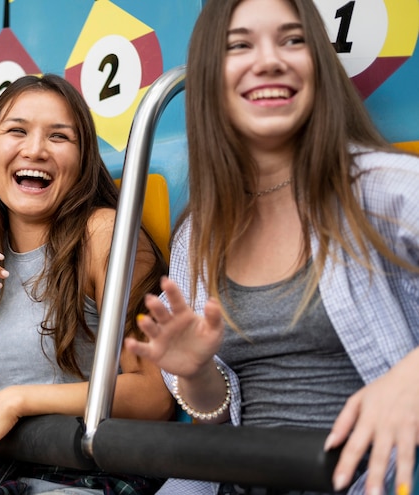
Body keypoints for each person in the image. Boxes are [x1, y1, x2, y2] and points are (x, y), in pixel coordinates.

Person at [125, 0, 419, 494]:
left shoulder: (388, 189)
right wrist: (196, 373)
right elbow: (214, 426)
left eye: (292, 40)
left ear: (318, 66)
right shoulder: (199, 234)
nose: (269, 60)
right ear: (210, 79)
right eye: (240, 45)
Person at [0, 74, 173, 495]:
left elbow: (155, 396)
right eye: (17, 130)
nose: (35, 149)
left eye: (59, 137)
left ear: (82, 158)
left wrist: (15, 400)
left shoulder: (101, 236)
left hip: (92, 463)